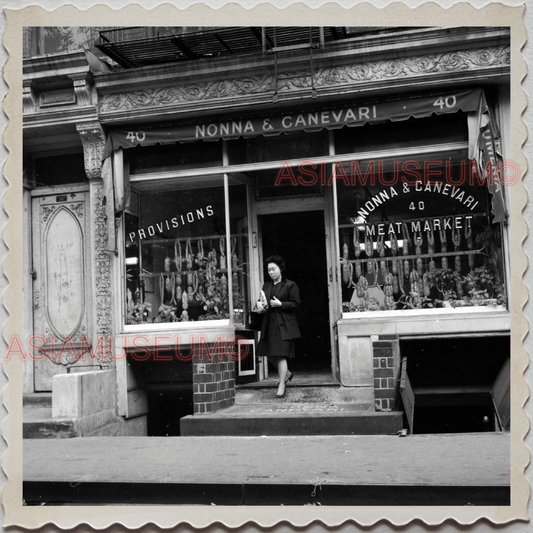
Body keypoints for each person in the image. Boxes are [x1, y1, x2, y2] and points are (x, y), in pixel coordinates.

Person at [257, 255, 302, 398]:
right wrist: (260, 305)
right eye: (269, 270)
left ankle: (282, 384)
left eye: (273, 269)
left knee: (281, 355)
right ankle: (287, 374)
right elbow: (262, 300)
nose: (271, 272)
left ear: (280, 269)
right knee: (270, 355)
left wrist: (281, 304)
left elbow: (296, 304)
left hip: (283, 325)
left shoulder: (290, 285)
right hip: (269, 323)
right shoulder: (266, 285)